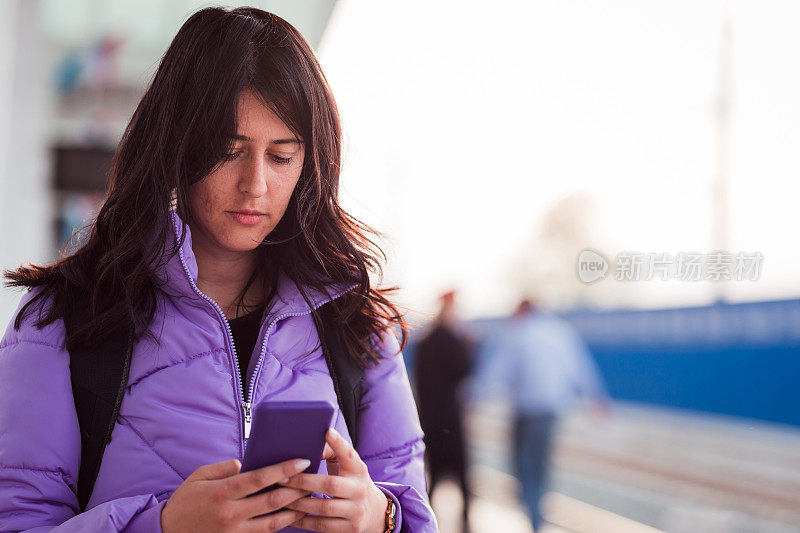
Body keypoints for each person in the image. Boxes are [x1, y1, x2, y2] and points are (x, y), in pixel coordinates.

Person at [0, 7, 436, 533]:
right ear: (175, 148)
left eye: (281, 157)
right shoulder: (61, 317)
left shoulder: (355, 322)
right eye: (229, 151)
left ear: (311, 163)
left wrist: (379, 516)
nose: (255, 184)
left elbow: (410, 509)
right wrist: (162, 525)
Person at [469, 298, 609, 532]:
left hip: (527, 413)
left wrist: (473, 396)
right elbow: (580, 368)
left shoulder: (519, 333)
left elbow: (498, 372)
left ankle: (534, 518)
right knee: (540, 470)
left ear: (523, 310)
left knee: (524, 470)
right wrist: (597, 398)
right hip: (551, 412)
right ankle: (537, 516)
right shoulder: (561, 332)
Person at [413, 290, 473, 532]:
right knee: (461, 474)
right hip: (450, 416)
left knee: (433, 475)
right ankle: (466, 523)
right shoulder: (453, 339)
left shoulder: (424, 342)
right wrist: (466, 344)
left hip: (429, 416)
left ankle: (426, 523)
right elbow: (465, 369)